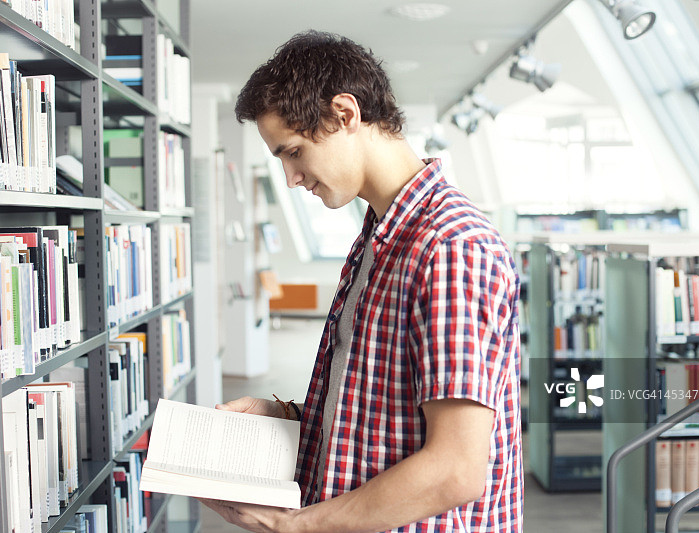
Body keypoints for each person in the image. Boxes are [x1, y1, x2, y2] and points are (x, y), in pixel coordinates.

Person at [201, 30, 523, 533]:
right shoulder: (378, 238)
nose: (291, 178)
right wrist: (289, 415)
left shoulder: (449, 247)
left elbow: (455, 470)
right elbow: (384, 411)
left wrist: (296, 526)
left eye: (293, 152)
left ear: (344, 114)